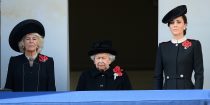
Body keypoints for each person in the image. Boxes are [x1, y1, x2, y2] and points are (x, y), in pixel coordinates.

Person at [154, 5, 204, 89]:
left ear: (185, 25)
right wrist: (157, 96)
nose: (175, 25)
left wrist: (197, 95)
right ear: (169, 26)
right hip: (167, 92)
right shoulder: (163, 47)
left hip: (187, 92)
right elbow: (157, 76)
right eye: (172, 23)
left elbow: (199, 74)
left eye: (178, 22)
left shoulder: (194, 45)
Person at [5, 19, 56, 91]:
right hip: (19, 101)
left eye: (34, 39)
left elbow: (51, 87)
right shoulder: (14, 61)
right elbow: (8, 87)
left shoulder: (48, 61)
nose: (31, 41)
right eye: (27, 39)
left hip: (41, 101)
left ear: (38, 43)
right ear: (22, 43)